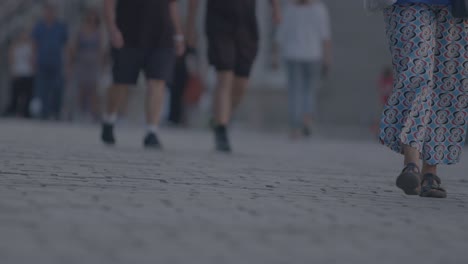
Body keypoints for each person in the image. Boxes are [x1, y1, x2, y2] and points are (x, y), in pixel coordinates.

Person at [379, 0, 468, 198]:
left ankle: (430, 172)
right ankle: (411, 164)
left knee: (447, 83)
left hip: (455, 6)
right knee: (416, 72)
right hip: (407, 4)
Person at [187, 0, 282, 152]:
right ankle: (221, 131)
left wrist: (276, 8)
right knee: (224, 76)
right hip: (219, 22)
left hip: (246, 24)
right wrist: (190, 29)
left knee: (241, 83)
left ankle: (220, 116)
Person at [101, 0, 184, 149]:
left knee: (157, 81)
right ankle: (109, 119)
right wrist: (112, 29)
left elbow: (172, 5)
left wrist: (178, 34)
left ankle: (152, 131)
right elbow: (108, 2)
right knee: (120, 83)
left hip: (162, 35)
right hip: (128, 34)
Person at [276, 0, 332, 139]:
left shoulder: (289, 8)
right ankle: (307, 121)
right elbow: (325, 36)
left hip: (292, 54)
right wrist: (327, 58)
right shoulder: (320, 9)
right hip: (313, 54)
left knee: (294, 91)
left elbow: (281, 33)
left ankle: (295, 128)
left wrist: (275, 55)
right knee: (309, 90)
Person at [32, 3, 68, 120]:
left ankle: (56, 111)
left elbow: (66, 46)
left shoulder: (60, 27)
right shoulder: (39, 26)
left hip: (56, 62)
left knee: (57, 87)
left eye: (51, 11)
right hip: (42, 61)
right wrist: (33, 59)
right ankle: (44, 112)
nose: (49, 14)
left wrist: (68, 62)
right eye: (47, 11)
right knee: (42, 88)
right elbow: (34, 44)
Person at [68, 8, 105, 121]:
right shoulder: (80, 31)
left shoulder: (99, 33)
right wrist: (71, 62)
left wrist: (101, 65)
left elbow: (101, 50)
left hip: (93, 64)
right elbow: (73, 47)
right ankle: (81, 111)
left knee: (93, 89)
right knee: (81, 88)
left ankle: (93, 112)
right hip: (81, 62)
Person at [3, 30, 35, 118]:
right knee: (15, 94)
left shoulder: (31, 46)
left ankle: (26, 112)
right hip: (18, 73)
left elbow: (33, 59)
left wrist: (33, 69)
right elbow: (11, 59)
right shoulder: (15, 46)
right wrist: (13, 70)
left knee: (28, 94)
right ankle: (14, 111)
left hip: (28, 73)